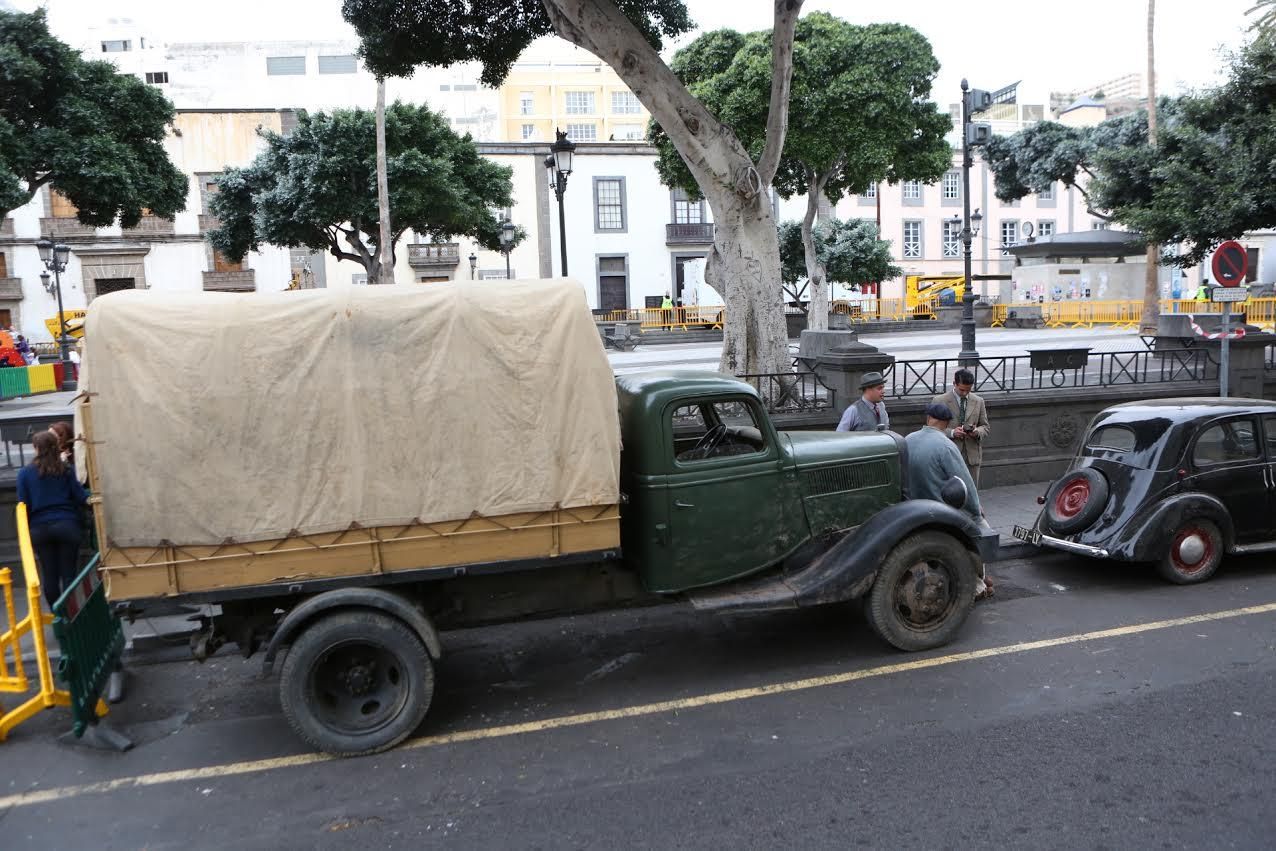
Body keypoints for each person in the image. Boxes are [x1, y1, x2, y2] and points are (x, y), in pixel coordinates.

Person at [905, 404, 993, 599]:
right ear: (946, 423)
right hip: (941, 510)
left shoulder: (908, 440)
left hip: (911, 508)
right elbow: (965, 483)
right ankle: (978, 586)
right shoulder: (946, 446)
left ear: (928, 418)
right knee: (981, 532)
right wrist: (976, 511)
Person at [17, 430, 89, 608]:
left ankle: (58, 614)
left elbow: (23, 504)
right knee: (68, 573)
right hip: (67, 524)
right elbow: (80, 496)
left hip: (39, 528)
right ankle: (71, 613)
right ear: (55, 447)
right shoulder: (65, 470)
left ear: (36, 448)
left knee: (49, 574)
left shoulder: (25, 474)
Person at [931, 369, 991, 484]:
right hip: (948, 456)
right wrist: (952, 432)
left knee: (971, 492)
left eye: (968, 390)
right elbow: (932, 429)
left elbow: (985, 426)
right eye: (962, 389)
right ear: (954, 384)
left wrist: (977, 431)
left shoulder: (978, 401)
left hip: (971, 458)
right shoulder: (939, 401)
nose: (964, 393)